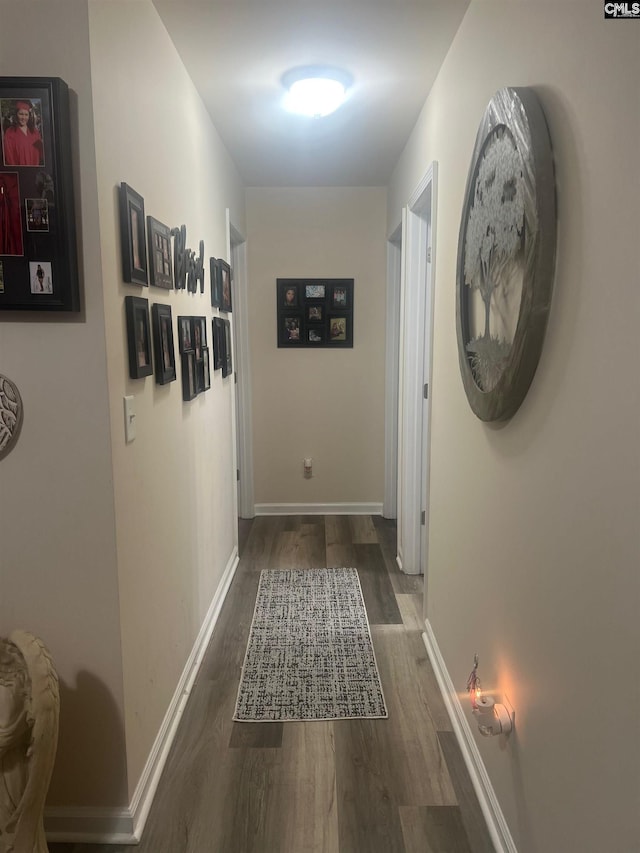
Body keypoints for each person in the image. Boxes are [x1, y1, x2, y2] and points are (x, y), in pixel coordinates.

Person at [2, 100, 43, 167]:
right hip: (19, 173)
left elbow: (40, 153)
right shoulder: (10, 133)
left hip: (34, 172)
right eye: (21, 114)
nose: (23, 118)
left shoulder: (35, 132)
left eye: (26, 114)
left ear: (29, 116)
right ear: (16, 114)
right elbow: (9, 158)